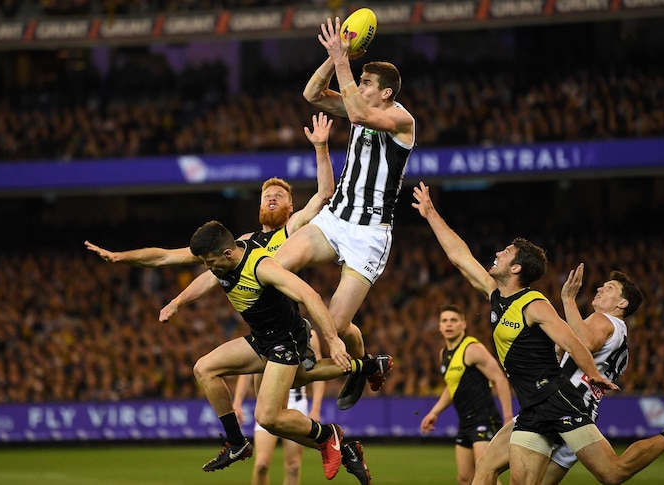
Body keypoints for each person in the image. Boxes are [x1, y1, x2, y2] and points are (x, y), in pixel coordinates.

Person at [412, 182, 664, 485]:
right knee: (488, 471)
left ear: (517, 269)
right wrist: (430, 214)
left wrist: (588, 364)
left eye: (506, 252)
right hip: (535, 406)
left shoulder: (549, 308)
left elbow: (578, 343)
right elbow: (460, 256)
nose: (498, 253)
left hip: (561, 401)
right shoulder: (499, 295)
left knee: (612, 474)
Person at [270, 16, 417, 410]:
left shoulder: (401, 120)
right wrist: (334, 56)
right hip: (334, 220)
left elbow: (358, 115)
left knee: (332, 328)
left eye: (368, 83)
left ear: (385, 92)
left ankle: (358, 365)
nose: (361, 86)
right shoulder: (357, 101)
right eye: (361, 81)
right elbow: (312, 94)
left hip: (368, 236)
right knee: (272, 268)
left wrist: (343, 61)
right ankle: (366, 362)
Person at [179, 220, 382, 481]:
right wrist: (174, 302)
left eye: (209, 262)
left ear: (227, 253)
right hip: (263, 339)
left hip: (286, 340)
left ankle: (329, 433)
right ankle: (236, 442)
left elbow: (310, 296)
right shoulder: (224, 262)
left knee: (267, 417)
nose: (207, 268)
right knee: (204, 368)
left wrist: (332, 338)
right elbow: (165, 258)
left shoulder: (262, 266)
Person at [84, 112, 337, 267]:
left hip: (288, 326)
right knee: (204, 360)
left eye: (279, 196)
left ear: (291, 207)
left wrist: (321, 147)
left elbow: (325, 192)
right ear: (259, 206)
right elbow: (167, 257)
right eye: (267, 195)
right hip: (260, 333)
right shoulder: (242, 244)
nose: (272, 197)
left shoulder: (294, 228)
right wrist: (120, 257)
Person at [473, 265, 644, 485]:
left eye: (609, 288)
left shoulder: (604, 320)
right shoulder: (623, 342)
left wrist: (568, 299)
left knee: (612, 472)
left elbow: (586, 342)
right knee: (496, 468)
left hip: (560, 406)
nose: (600, 288)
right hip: (577, 409)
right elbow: (569, 349)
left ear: (622, 304)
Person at [419, 304, 514, 485]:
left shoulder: (472, 349)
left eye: (453, 320)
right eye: (444, 321)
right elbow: (452, 386)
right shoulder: (444, 354)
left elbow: (499, 379)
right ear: (439, 326)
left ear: (463, 324)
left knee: (485, 475)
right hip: (465, 421)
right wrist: (434, 412)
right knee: (465, 478)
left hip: (484, 419)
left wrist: (508, 415)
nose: (448, 325)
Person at [232, 327, 327, 485]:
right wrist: (237, 402)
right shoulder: (263, 327)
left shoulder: (309, 334)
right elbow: (248, 369)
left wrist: (316, 408)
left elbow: (318, 372)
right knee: (261, 464)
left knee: (293, 466)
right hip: (267, 403)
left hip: (296, 404)